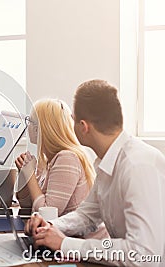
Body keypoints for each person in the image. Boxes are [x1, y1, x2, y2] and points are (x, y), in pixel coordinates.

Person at [25, 80, 165, 266]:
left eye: (73, 120)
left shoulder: (137, 166)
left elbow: (143, 255)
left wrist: (65, 244)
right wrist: (50, 226)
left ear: (83, 126)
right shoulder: (108, 162)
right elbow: (86, 215)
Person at [15, 99, 95, 217]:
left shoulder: (67, 158)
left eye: (30, 121)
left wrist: (30, 174)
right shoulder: (48, 161)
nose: (27, 126)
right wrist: (23, 173)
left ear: (39, 129)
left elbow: (47, 213)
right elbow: (27, 205)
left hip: (76, 235)